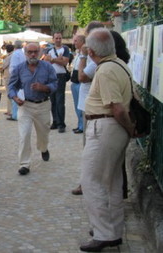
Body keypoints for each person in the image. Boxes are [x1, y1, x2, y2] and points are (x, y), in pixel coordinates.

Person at [78, 28, 135, 252]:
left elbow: (117, 109)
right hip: (109, 127)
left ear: (91, 51)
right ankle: (112, 230)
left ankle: (104, 233)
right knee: (111, 182)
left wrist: (129, 129)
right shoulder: (120, 65)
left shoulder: (106, 70)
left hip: (105, 127)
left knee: (91, 181)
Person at [8, 43, 57, 176]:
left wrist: (44, 88)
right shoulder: (19, 69)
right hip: (26, 106)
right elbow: (11, 86)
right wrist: (14, 97)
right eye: (30, 52)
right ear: (25, 54)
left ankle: (43, 148)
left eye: (35, 52)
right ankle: (24, 164)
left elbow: (54, 84)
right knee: (24, 134)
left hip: (43, 105)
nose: (33, 54)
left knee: (44, 133)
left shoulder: (47, 67)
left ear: (40, 52)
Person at [71, 21, 105, 196]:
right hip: (88, 106)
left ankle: (87, 185)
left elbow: (81, 77)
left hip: (92, 108)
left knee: (89, 150)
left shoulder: (95, 58)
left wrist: (84, 57)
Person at [44, 32, 70, 133]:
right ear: (53, 39)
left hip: (61, 76)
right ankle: (55, 120)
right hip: (51, 77)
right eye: (56, 38)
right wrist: (57, 59)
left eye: (60, 38)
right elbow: (46, 61)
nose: (58, 40)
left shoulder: (65, 49)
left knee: (60, 100)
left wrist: (53, 59)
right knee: (53, 100)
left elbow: (64, 62)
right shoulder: (48, 50)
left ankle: (61, 123)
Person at [8, 40, 26, 121]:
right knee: (20, 94)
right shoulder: (23, 53)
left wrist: (12, 76)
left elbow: (13, 67)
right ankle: (19, 113)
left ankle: (15, 115)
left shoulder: (15, 54)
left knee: (14, 95)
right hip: (22, 75)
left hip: (16, 76)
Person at [71, 34, 86, 134]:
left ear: (82, 41)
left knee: (80, 106)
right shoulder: (77, 53)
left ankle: (82, 126)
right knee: (76, 105)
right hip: (74, 81)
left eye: (76, 41)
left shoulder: (85, 55)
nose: (74, 43)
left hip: (80, 82)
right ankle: (79, 124)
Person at [2, 45, 14, 117]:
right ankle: (9, 110)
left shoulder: (9, 56)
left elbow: (4, 66)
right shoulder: (13, 55)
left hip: (8, 76)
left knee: (9, 93)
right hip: (11, 76)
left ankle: (10, 111)